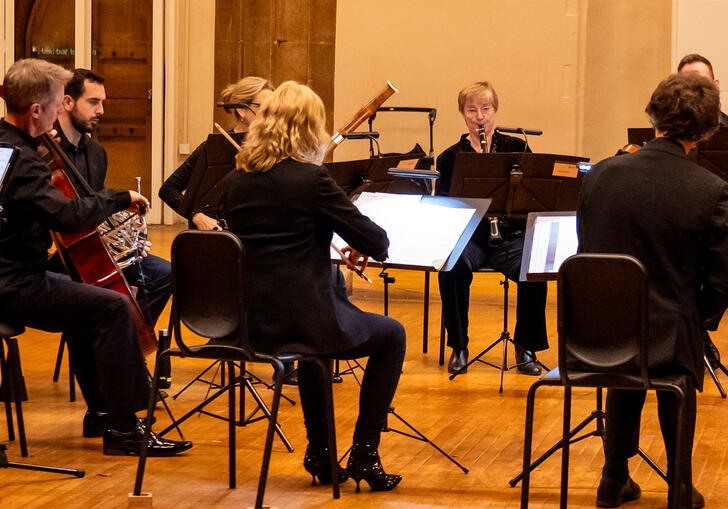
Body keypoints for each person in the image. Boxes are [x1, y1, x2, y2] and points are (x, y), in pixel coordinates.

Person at [0, 58, 191, 457]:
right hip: (15, 282)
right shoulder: (23, 160)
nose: (57, 114)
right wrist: (118, 198)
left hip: (14, 272)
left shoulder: (8, 147)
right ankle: (122, 427)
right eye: (55, 105)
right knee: (113, 307)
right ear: (37, 110)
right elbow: (67, 215)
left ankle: (105, 411)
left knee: (92, 303)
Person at [222, 81, 406, 492]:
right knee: (391, 335)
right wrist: (347, 236)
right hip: (305, 320)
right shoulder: (311, 180)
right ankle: (364, 452)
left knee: (312, 353)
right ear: (308, 130)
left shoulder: (237, 181)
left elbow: (275, 239)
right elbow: (377, 242)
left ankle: (321, 454)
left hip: (249, 323)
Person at [578, 73, 728, 508]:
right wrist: (698, 319)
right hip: (668, 338)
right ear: (703, 132)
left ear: (654, 116)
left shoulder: (601, 174)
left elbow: (586, 250)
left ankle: (613, 478)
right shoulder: (711, 190)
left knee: (631, 336)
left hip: (595, 337)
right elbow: (721, 281)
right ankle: (680, 485)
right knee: (675, 339)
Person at [53, 69, 174, 430]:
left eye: (103, 102)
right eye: (94, 102)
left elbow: (96, 208)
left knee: (162, 271)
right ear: (67, 102)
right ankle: (100, 407)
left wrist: (128, 237)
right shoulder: (45, 154)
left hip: (90, 248)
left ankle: (127, 347)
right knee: (89, 300)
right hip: (57, 255)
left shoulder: (96, 152)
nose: (101, 110)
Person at [435, 81, 548, 375]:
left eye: (486, 109)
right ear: (463, 114)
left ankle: (526, 346)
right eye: (472, 110)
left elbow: (533, 193)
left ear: (495, 111)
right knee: (451, 266)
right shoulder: (449, 157)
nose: (479, 117)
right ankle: (459, 346)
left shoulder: (517, 148)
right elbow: (442, 206)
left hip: (509, 235)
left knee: (532, 268)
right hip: (472, 238)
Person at [159, 76, 273, 230]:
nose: (273, 114)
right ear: (242, 110)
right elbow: (168, 189)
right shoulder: (214, 148)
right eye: (266, 108)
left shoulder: (275, 148)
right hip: (219, 238)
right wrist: (195, 216)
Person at [678, 53, 728, 127]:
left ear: (716, 86)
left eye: (703, 82)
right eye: (688, 83)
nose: (695, 90)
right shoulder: (666, 132)